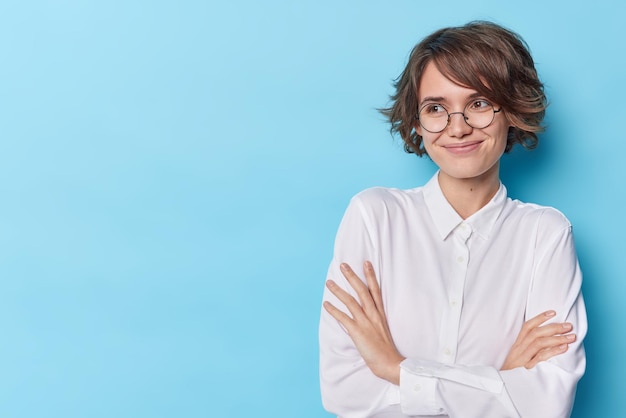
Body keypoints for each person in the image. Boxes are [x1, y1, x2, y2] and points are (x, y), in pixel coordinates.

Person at [319, 21, 586, 418]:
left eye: (478, 103)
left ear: (511, 110)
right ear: (416, 120)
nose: (457, 128)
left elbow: (549, 404)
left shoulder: (544, 234)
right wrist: (502, 381)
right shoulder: (374, 216)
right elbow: (344, 392)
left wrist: (395, 369)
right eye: (436, 108)